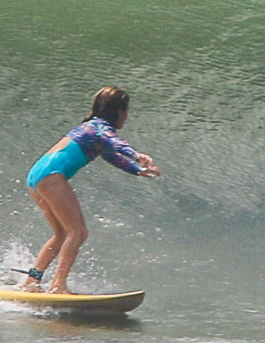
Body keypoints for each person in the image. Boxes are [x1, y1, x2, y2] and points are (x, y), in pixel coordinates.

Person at [20, 86, 160, 293]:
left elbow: (110, 154)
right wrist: (136, 155)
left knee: (61, 234)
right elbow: (115, 142)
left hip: (37, 175)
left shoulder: (91, 128)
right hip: (51, 176)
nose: (127, 117)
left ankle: (32, 281)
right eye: (127, 111)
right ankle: (58, 286)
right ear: (119, 111)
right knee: (78, 232)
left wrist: (137, 170)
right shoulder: (100, 128)